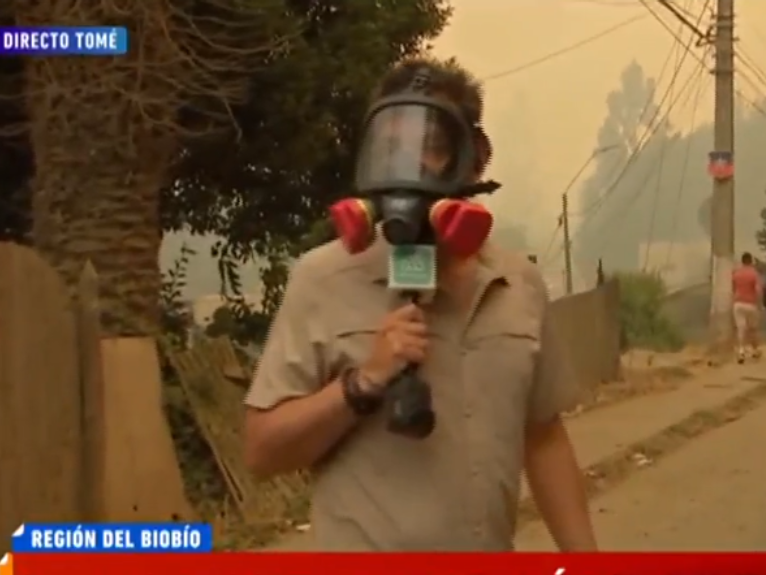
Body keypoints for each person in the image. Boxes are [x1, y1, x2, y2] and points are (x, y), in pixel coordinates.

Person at [241, 57, 596, 551]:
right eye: (391, 149)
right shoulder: (323, 278)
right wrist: (362, 384)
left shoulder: (519, 284)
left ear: (476, 157)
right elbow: (262, 452)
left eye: (430, 146)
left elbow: (544, 437)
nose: (408, 169)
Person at [732, 252, 763, 363]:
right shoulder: (754, 274)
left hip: (738, 304)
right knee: (753, 329)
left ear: (742, 261)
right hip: (750, 304)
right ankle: (755, 350)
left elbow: (733, 288)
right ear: (751, 261)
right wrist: (760, 304)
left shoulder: (736, 273)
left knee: (741, 328)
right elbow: (758, 290)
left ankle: (741, 351)